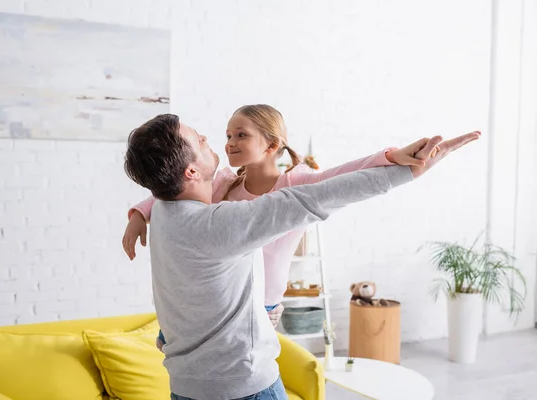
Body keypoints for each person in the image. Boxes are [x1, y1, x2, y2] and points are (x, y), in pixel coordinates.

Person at [123, 113, 479, 399]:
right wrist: (406, 170)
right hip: (241, 387)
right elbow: (319, 197)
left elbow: (327, 178)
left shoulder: (167, 215)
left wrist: (140, 213)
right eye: (199, 140)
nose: (212, 139)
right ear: (191, 172)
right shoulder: (219, 223)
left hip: (185, 388)